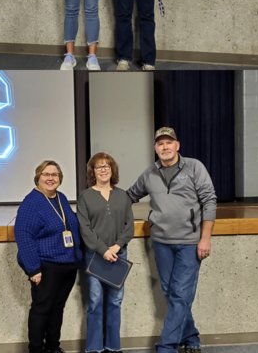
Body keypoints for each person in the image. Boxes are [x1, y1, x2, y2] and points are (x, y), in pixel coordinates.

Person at [126, 128, 216, 353]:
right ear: (155, 148)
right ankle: (192, 336)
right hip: (161, 242)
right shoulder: (149, 174)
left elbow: (209, 201)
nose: (164, 147)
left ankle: (166, 346)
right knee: (172, 292)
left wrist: (205, 238)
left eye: (169, 142)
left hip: (190, 242)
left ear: (177, 145)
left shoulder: (194, 167)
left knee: (180, 293)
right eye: (160, 144)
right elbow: (129, 196)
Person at [14, 160, 82, 353]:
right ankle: (36, 349)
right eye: (46, 174)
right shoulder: (31, 203)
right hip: (46, 267)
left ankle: (53, 347)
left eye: (55, 175)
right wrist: (33, 269)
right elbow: (23, 235)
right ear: (38, 177)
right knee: (41, 309)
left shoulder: (60, 198)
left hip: (68, 264)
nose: (51, 178)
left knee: (57, 308)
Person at [76, 153, 134, 353]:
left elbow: (129, 227)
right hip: (94, 256)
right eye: (98, 166)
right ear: (92, 171)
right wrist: (103, 250)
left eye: (107, 166)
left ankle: (113, 346)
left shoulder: (123, 195)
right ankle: (94, 348)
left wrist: (115, 248)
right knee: (95, 302)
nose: (103, 169)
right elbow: (85, 229)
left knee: (115, 302)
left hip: (119, 256)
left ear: (112, 170)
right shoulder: (85, 196)